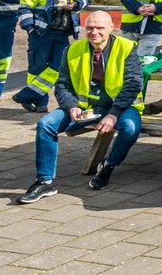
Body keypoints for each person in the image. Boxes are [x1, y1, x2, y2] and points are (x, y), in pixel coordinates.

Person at [15, 11, 144, 203]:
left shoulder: (126, 47)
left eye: (100, 28)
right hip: (86, 108)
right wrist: (71, 106)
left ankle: (108, 165)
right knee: (46, 125)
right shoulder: (72, 49)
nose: (94, 32)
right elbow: (62, 84)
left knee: (131, 128)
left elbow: (133, 84)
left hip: (120, 107)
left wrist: (113, 115)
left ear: (111, 27)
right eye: (90, 28)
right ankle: (44, 182)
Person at [11, 0, 93, 113]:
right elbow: (24, 6)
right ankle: (41, 102)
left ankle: (26, 95)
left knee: (59, 67)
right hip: (41, 32)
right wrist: (30, 28)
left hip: (63, 31)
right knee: (37, 66)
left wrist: (76, 4)